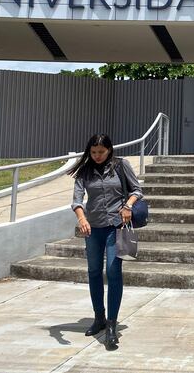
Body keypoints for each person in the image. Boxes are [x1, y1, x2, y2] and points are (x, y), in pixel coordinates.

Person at [70, 134, 143, 350]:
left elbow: (137, 190)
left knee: (112, 271)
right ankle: (99, 318)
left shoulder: (121, 166)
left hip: (116, 226)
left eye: (101, 152)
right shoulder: (84, 171)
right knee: (93, 272)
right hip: (93, 228)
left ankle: (112, 324)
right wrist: (81, 218)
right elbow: (76, 200)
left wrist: (128, 206)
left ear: (109, 150)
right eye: (93, 152)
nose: (97, 156)